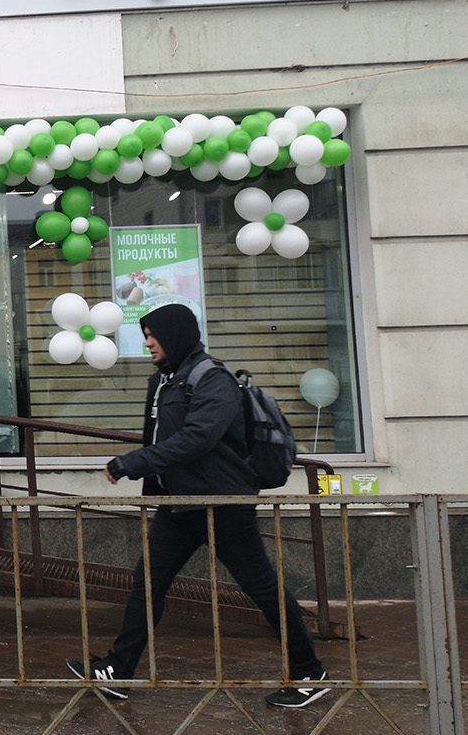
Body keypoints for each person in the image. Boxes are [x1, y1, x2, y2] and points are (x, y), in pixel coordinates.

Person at [66, 302, 331, 709]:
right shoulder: (165, 382)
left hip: (221, 502)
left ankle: (310, 672)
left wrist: (133, 463)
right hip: (181, 503)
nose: (148, 343)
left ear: (175, 335)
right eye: (145, 335)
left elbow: (198, 438)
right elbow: (161, 437)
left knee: (262, 588)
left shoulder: (211, 378)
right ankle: (118, 670)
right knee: (148, 583)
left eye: (153, 335)